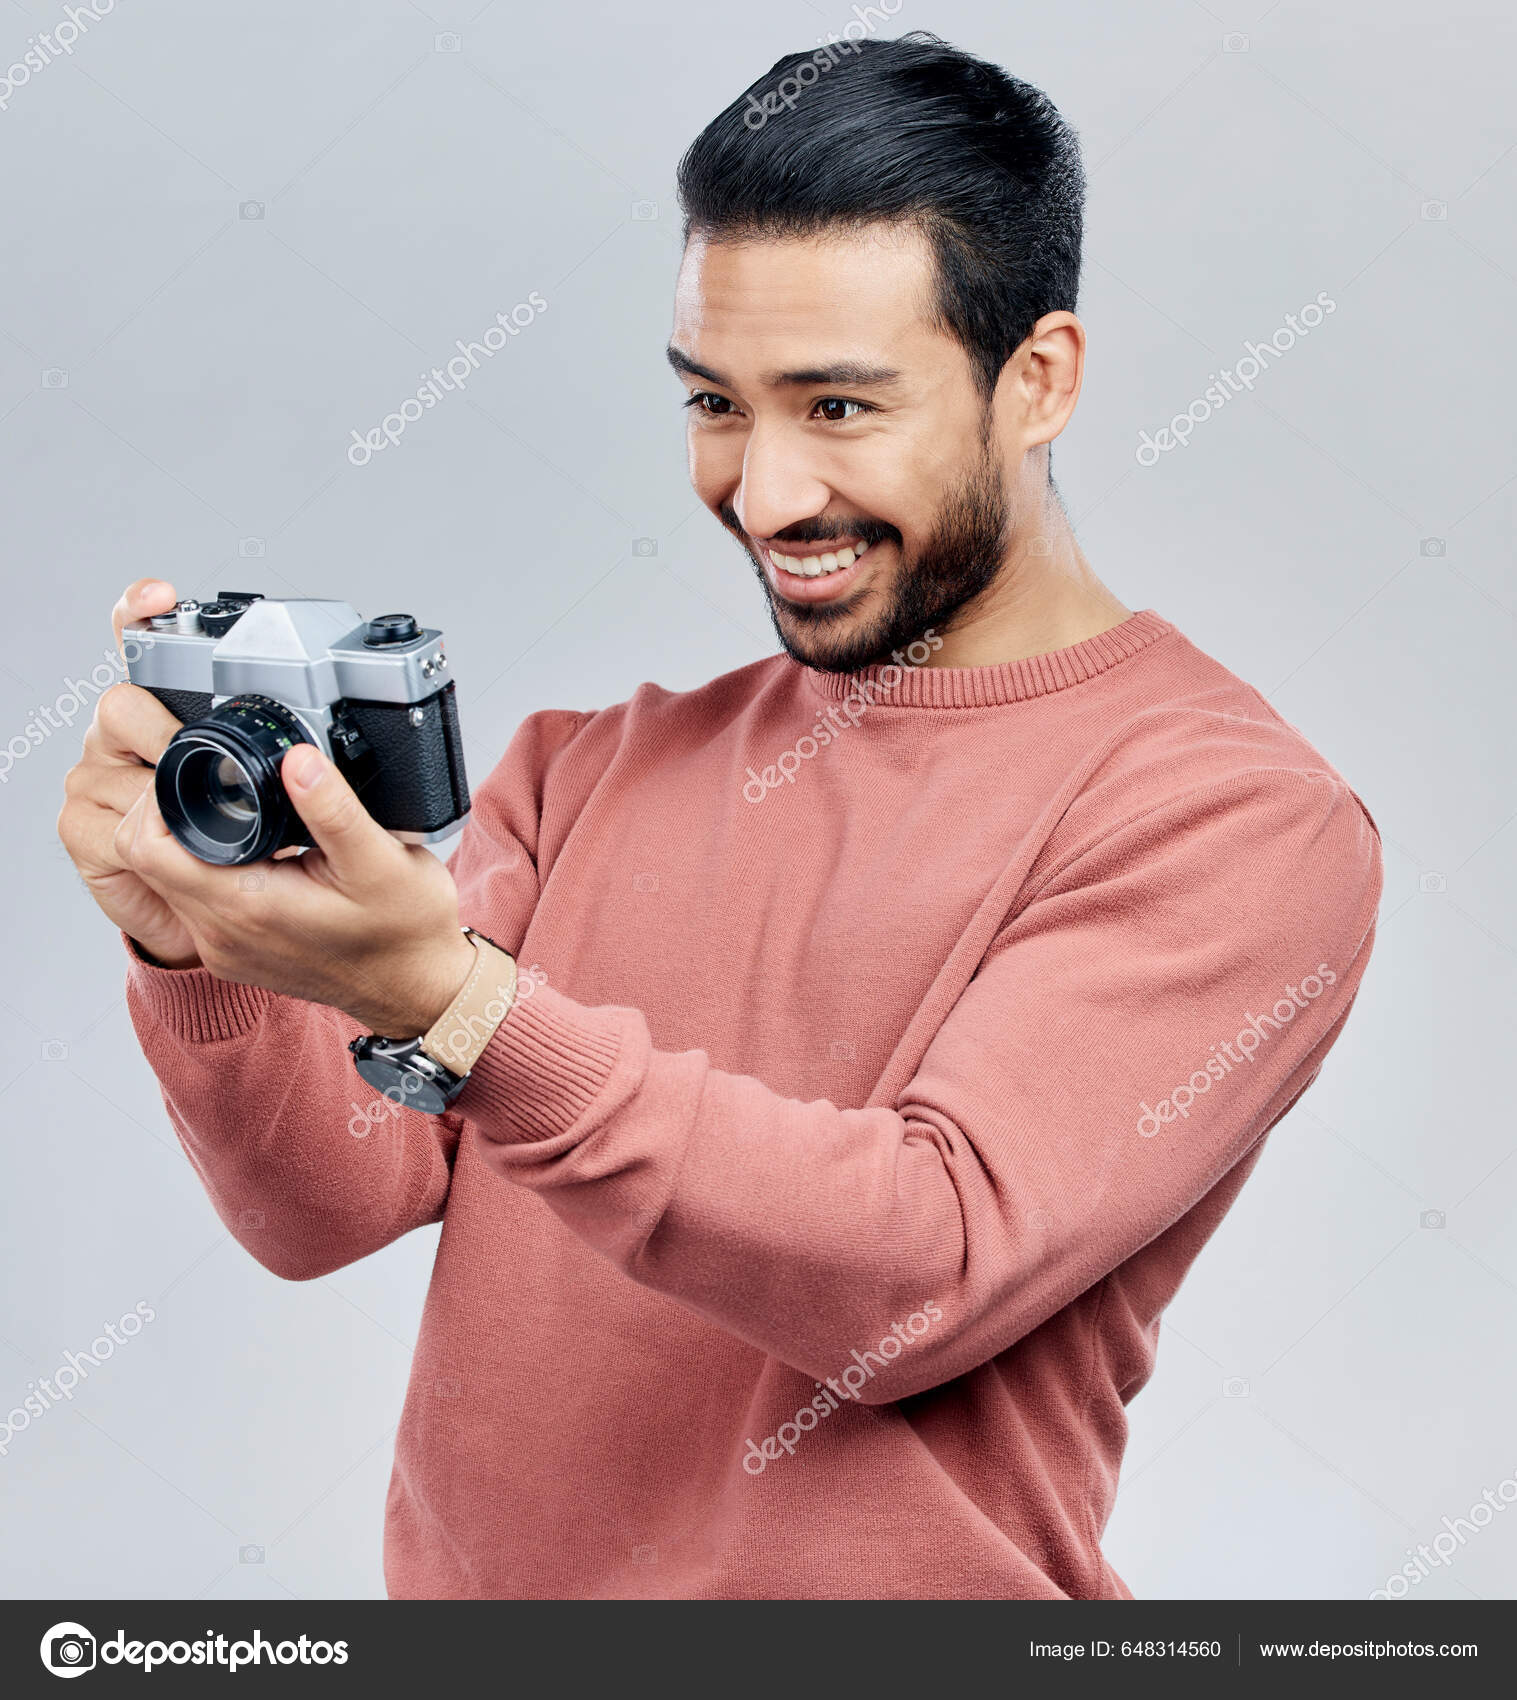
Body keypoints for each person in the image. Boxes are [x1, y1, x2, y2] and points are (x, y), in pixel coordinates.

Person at [57, 34, 1382, 1599]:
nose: (760, 496)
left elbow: (920, 1273)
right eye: (714, 404)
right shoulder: (589, 768)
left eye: (836, 406)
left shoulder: (1234, 818)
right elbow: (330, 1205)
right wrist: (198, 951)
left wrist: (452, 999)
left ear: (1036, 381)